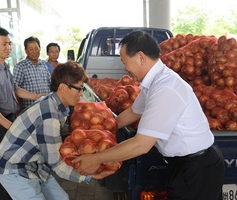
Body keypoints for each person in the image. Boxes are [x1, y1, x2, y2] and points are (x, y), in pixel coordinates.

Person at [73, 31, 225, 200]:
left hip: (197, 169)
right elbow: (133, 112)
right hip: (184, 166)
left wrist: (97, 159)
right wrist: (104, 130)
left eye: (124, 61)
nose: (125, 68)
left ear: (140, 57)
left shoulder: (165, 88)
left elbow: (141, 145)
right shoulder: (154, 82)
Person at [0, 61, 113, 200]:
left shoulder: (55, 104)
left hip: (35, 164)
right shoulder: (49, 116)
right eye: (79, 88)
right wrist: (87, 176)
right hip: (14, 167)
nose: (81, 94)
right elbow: (55, 162)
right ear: (62, 87)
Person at [0, 27, 45, 200]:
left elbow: (15, 89)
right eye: (4, 44)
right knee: (2, 168)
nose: (9, 47)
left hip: (10, 120)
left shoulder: (4, 67)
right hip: (0, 125)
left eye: (9, 43)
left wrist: (36, 96)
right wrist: (9, 126)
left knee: (12, 166)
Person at [13, 36, 51, 109]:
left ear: (40, 49)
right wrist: (19, 110)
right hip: (29, 109)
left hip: (46, 106)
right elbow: (15, 90)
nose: (34, 51)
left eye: (36, 48)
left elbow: (49, 84)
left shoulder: (44, 64)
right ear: (26, 50)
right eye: (31, 49)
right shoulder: (20, 67)